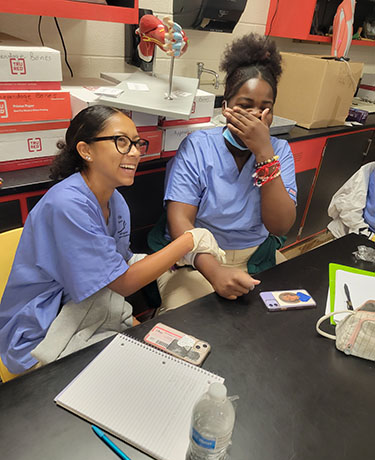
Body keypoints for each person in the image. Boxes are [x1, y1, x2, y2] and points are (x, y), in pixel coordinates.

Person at [0, 105, 224, 374]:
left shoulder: (114, 200)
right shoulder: (66, 205)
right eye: (122, 142)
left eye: (137, 143)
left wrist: (177, 260)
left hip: (85, 310)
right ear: (86, 150)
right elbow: (123, 282)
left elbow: (121, 261)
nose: (135, 152)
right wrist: (189, 240)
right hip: (41, 332)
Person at [149, 33, 297, 313]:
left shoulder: (279, 150)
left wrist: (264, 154)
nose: (255, 116)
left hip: (255, 255)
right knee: (189, 321)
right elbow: (180, 221)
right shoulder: (198, 146)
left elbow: (280, 226)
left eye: (265, 108)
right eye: (244, 106)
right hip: (196, 260)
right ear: (226, 107)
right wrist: (215, 272)